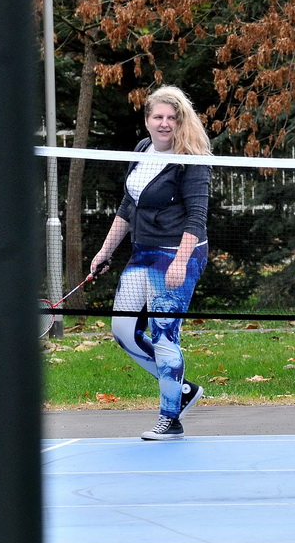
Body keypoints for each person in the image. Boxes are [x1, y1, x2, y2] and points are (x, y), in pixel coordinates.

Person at [90, 86, 211, 441]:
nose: (164, 123)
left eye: (171, 118)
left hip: (178, 254)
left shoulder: (191, 158)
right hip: (143, 252)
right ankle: (183, 389)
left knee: (163, 334)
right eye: (157, 116)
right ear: (147, 120)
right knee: (123, 331)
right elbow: (128, 207)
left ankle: (170, 418)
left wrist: (180, 260)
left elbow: (197, 217)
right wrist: (105, 251)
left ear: (180, 121)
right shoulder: (142, 150)